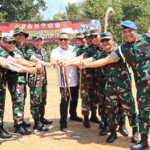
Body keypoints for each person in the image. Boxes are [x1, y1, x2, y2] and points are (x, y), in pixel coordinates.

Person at [80, 21, 150, 150]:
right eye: (124, 32)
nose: (127, 34)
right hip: (143, 87)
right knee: (144, 113)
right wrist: (86, 64)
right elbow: (106, 60)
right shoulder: (123, 49)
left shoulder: (147, 38)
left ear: (135, 30)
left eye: (130, 31)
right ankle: (144, 141)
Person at [0, 36, 37, 144]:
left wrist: (33, 64)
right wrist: (27, 69)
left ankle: (1, 128)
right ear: (3, 43)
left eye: (13, 42)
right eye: (9, 42)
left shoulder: (10, 52)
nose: (12, 44)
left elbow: (19, 59)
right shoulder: (2, 52)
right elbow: (8, 63)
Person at [50, 32, 83, 132]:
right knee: (64, 102)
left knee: (75, 99)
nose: (63, 41)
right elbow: (52, 61)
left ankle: (73, 115)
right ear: (58, 41)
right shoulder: (55, 51)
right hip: (63, 82)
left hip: (75, 80)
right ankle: (63, 122)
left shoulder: (74, 49)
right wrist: (56, 62)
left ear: (69, 40)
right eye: (61, 39)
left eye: (65, 39)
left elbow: (78, 59)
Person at [26, 34, 52, 132]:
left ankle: (42, 118)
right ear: (33, 41)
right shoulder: (30, 51)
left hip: (43, 80)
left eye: (41, 41)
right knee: (35, 101)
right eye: (37, 41)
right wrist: (44, 63)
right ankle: (37, 123)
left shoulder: (44, 51)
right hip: (35, 80)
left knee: (43, 99)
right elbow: (34, 59)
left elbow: (47, 60)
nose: (39, 42)